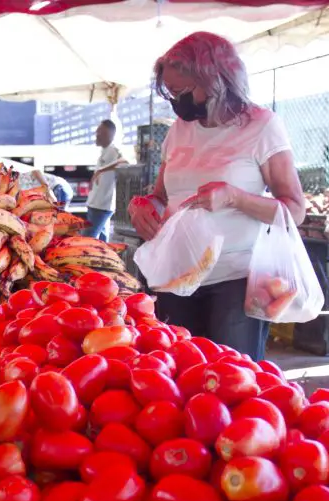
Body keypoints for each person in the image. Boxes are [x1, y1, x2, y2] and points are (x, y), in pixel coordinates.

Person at [128, 32, 305, 361]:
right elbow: (161, 195)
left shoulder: (262, 127)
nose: (178, 101)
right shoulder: (178, 129)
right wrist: (142, 206)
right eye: (171, 93)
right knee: (175, 372)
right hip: (175, 276)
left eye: (184, 91)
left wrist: (236, 198)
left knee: (231, 376)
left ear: (218, 78)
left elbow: (294, 210)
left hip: (235, 280)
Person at [85, 120, 127, 241]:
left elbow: (124, 161)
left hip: (102, 205)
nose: (96, 134)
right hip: (95, 203)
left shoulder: (114, 150)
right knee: (102, 240)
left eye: (99, 132)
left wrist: (101, 170)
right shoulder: (104, 151)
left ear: (108, 134)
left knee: (88, 239)